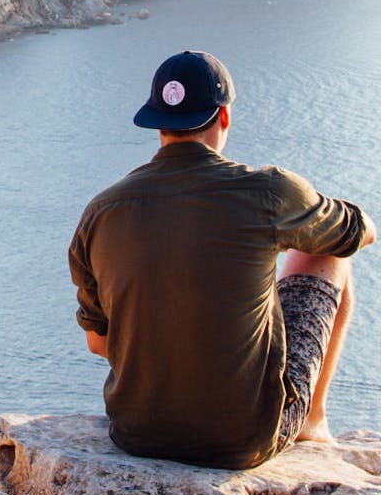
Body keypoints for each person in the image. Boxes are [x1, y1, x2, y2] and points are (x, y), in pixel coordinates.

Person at [68, 50, 376, 470]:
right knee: (330, 254)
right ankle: (312, 421)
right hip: (242, 440)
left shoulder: (101, 212)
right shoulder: (268, 192)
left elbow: (98, 342)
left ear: (157, 123)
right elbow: (358, 232)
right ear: (224, 117)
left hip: (137, 433)